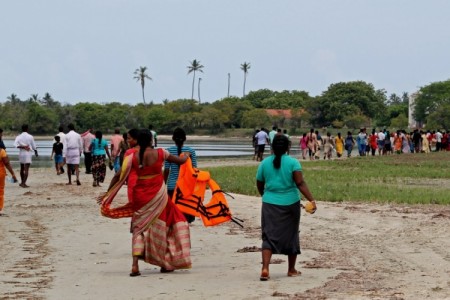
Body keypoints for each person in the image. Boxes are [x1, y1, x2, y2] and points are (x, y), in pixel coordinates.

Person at [103, 129, 192, 276]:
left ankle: (135, 265)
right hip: (158, 194)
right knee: (163, 224)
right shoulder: (161, 153)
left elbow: (120, 176)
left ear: (138, 140)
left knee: (139, 228)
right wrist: (186, 155)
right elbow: (181, 161)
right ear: (151, 140)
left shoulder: (132, 157)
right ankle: (164, 261)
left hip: (140, 195)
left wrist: (108, 194)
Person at [256, 134, 316, 281]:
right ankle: (291, 269)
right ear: (288, 147)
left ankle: (265, 268)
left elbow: (259, 183)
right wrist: (311, 200)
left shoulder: (264, 164)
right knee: (292, 234)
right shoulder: (293, 163)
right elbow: (300, 183)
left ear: (272, 147)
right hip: (291, 203)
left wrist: (266, 195)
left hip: (270, 203)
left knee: (268, 235)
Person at [164, 127, 197, 223]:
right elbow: (194, 169)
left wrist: (163, 184)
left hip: (172, 186)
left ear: (173, 138)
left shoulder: (168, 151)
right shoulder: (191, 151)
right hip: (186, 187)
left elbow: (166, 170)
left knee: (171, 215)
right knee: (185, 216)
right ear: (185, 138)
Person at [1, 146, 18, 216]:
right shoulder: (1, 151)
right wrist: (13, 174)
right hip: (0, 173)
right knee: (0, 191)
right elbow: (7, 163)